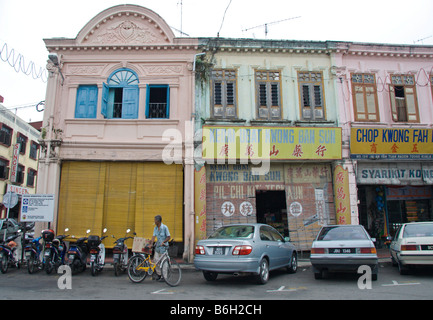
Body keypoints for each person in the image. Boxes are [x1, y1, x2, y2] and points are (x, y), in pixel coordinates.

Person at [150, 215, 171, 280]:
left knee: (164, 263)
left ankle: (164, 277)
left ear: (158, 221)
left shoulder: (165, 227)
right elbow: (153, 237)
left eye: (155, 220)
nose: (154, 221)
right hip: (158, 248)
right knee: (155, 261)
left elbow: (168, 237)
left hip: (163, 248)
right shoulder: (155, 228)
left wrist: (164, 242)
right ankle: (159, 274)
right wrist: (151, 243)